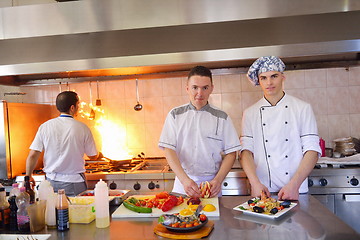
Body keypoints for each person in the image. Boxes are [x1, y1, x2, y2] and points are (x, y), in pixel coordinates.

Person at [240, 56, 321, 200]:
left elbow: (312, 150)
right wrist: (255, 183)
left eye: (274, 76)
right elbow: (246, 152)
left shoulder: (302, 108)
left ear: (283, 77)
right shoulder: (250, 113)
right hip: (263, 190)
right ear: (259, 81)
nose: (269, 82)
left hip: (295, 189)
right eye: (263, 78)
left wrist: (294, 185)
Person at [159, 66, 241, 198]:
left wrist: (218, 180)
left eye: (205, 88)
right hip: (183, 183)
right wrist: (185, 180)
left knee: (213, 218)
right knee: (182, 217)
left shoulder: (222, 117)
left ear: (211, 89)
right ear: (187, 88)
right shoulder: (175, 115)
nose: (200, 93)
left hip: (212, 184)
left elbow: (231, 153)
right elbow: (168, 150)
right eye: (195, 87)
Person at [26, 91, 99, 196]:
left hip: (50, 183)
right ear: (72, 107)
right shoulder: (82, 128)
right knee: (76, 211)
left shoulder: (45, 126)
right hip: (74, 183)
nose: (78, 107)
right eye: (78, 104)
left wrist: (28, 176)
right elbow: (92, 156)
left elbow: (33, 155)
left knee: (52, 211)